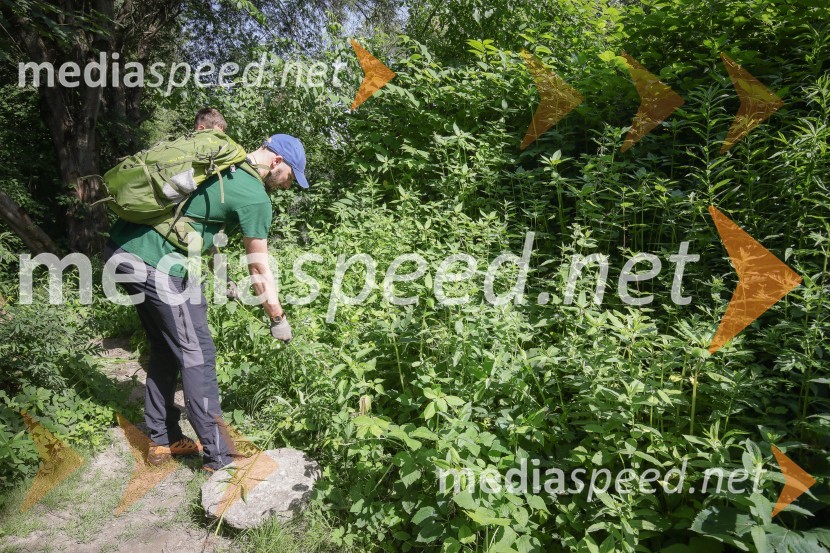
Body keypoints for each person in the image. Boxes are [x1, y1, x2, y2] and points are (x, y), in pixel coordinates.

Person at [103, 131, 310, 472]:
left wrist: (222, 274)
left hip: (123, 249)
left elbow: (200, 222)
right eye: (290, 176)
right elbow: (259, 267)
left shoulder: (221, 166)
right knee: (198, 354)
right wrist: (277, 317)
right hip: (156, 263)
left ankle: (164, 439)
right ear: (277, 161)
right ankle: (220, 457)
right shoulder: (255, 197)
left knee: (167, 347)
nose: (288, 185)